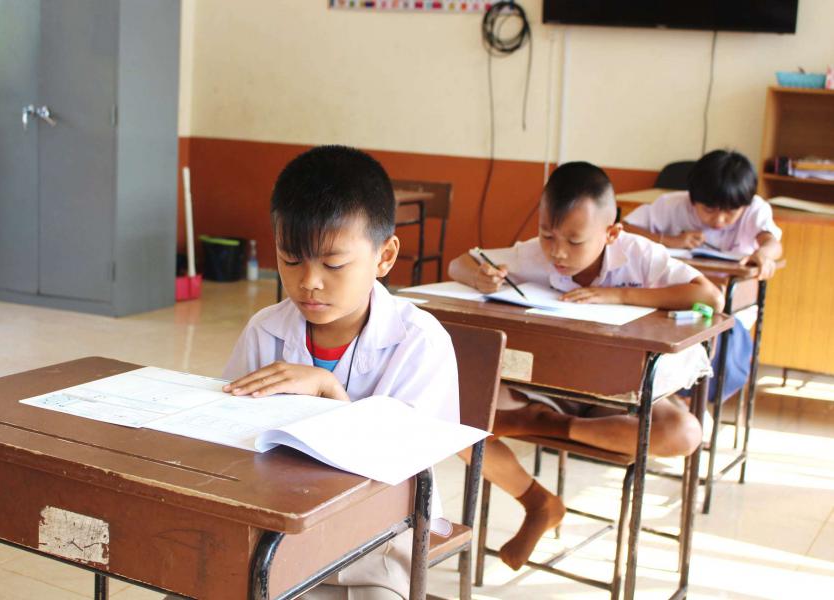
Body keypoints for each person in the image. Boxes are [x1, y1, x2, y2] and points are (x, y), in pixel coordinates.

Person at [448, 161, 723, 571]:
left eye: (575, 241)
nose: (557, 252)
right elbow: (459, 263)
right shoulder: (534, 254)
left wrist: (619, 296)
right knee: (455, 423)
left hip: (624, 398)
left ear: (611, 233)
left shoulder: (640, 256)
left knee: (685, 433)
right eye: (547, 234)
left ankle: (543, 425)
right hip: (546, 389)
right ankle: (537, 500)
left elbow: (710, 296)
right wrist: (480, 279)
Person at [222, 145, 459, 600]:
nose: (309, 281)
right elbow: (229, 432)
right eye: (291, 259)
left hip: (377, 542)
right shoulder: (265, 330)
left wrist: (330, 391)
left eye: (333, 264)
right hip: (272, 528)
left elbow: (402, 467)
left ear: (385, 256)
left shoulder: (420, 343)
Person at [624, 149, 783, 281]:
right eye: (709, 209)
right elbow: (624, 228)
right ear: (692, 199)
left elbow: (772, 242)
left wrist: (763, 254)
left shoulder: (754, 208)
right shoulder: (672, 204)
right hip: (676, 287)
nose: (719, 220)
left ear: (744, 205)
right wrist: (671, 241)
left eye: (730, 212)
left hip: (732, 291)